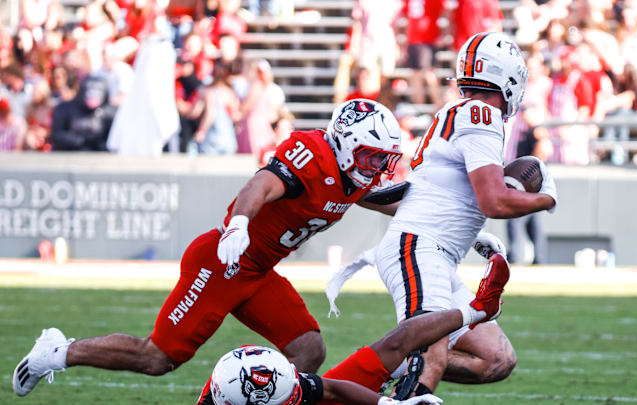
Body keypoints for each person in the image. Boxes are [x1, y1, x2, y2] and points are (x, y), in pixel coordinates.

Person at [12, 99, 404, 398]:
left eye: (382, 160)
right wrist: (239, 224)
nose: (377, 167)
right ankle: (59, 352)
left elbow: (387, 198)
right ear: (347, 143)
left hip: (258, 272)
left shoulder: (354, 174)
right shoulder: (313, 154)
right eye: (372, 157)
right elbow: (262, 184)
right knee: (157, 358)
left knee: (308, 350)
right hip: (224, 261)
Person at [366, 32, 558, 399]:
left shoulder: (460, 113)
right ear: (510, 79)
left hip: (432, 252)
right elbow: (494, 202)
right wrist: (547, 198)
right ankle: (382, 370)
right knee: (432, 357)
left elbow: (433, 194)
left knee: (495, 358)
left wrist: (469, 233)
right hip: (420, 248)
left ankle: (386, 362)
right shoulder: (483, 114)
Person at [197, 252, 511, 405]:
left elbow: (330, 388)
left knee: (395, 344)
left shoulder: (273, 386)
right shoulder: (236, 394)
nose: (296, 397)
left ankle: (476, 310)